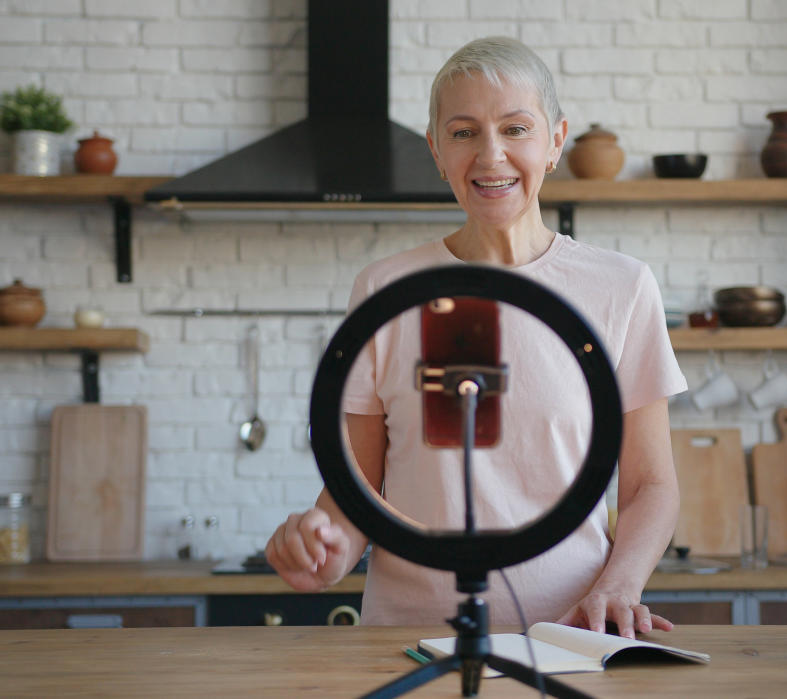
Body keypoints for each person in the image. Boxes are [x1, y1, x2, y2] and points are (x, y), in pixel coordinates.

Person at [265, 36, 686, 639]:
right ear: (436, 151)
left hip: (571, 637)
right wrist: (323, 547)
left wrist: (619, 585)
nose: (491, 156)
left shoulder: (621, 287)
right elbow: (356, 487)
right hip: (409, 641)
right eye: (463, 133)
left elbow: (651, 484)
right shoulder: (385, 289)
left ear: (555, 143)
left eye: (516, 128)